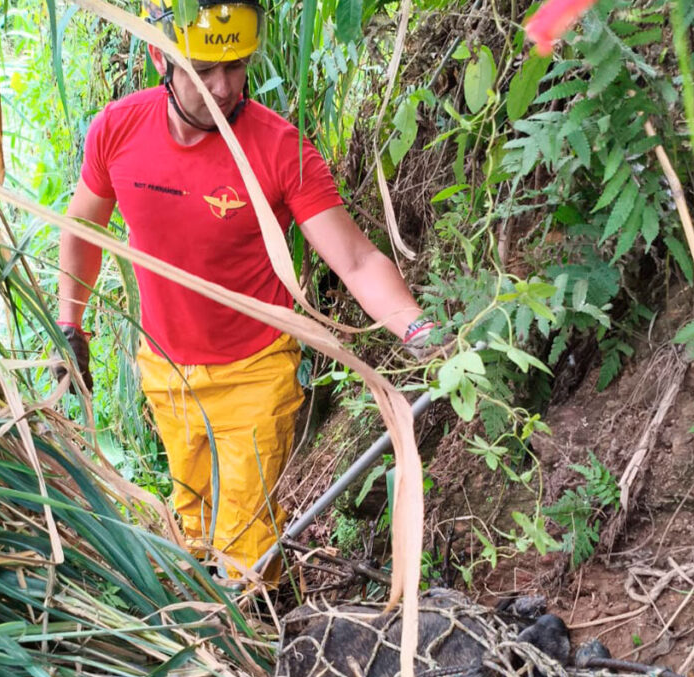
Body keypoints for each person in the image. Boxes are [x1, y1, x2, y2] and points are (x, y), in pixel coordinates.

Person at [55, 0, 433, 582]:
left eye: (235, 66)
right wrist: (69, 323)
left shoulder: (279, 149)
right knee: (193, 521)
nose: (224, 86)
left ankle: (252, 644)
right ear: (161, 57)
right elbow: (83, 229)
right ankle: (207, 632)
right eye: (203, 70)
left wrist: (415, 326)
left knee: (244, 546)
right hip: (166, 370)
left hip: (256, 373)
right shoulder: (118, 130)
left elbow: (356, 260)